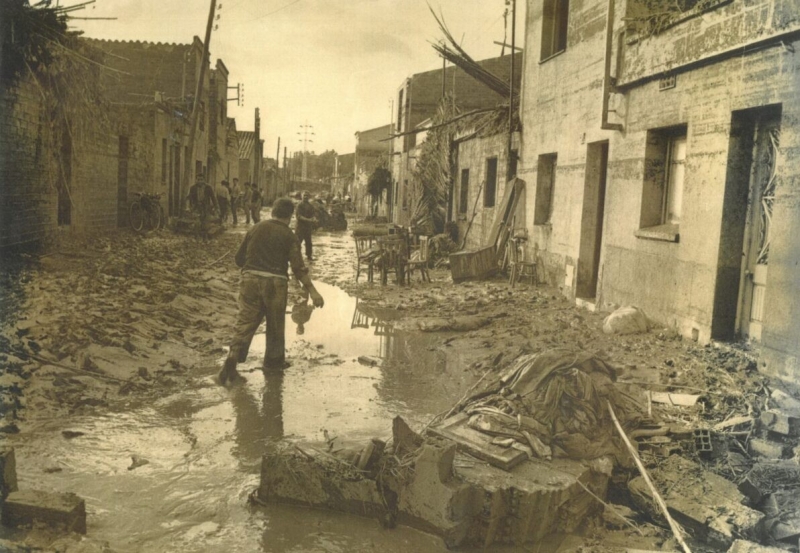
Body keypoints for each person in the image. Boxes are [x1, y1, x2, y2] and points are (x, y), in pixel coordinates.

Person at [218, 198, 324, 384]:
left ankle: (233, 356)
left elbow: (238, 260)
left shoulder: (255, 228)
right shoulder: (289, 235)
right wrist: (313, 292)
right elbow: (298, 268)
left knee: (245, 322)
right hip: (276, 283)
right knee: (275, 325)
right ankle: (273, 368)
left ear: (273, 211)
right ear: (290, 216)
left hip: (250, 280)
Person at [187, 175, 219, 241]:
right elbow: (190, 198)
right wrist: (190, 206)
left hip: (205, 207)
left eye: (201, 179)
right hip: (196, 207)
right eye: (198, 179)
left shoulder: (208, 187)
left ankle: (205, 237)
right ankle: (197, 237)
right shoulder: (193, 188)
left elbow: (213, 197)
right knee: (197, 222)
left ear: (204, 180)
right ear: (196, 180)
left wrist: (216, 207)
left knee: (205, 223)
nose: (200, 181)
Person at [295, 191, 317, 260]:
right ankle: (296, 256)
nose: (305, 197)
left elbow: (313, 214)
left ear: (309, 197)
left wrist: (314, 219)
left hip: (308, 227)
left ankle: (309, 255)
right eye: (304, 195)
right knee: (298, 242)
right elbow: (299, 216)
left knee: (308, 242)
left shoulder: (310, 206)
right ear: (302, 196)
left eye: (307, 195)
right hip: (300, 226)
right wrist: (309, 220)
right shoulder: (299, 205)